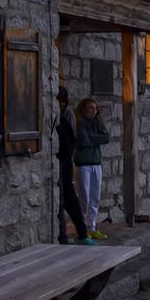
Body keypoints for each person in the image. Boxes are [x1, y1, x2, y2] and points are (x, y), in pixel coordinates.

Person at [54, 86, 94, 245]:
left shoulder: (66, 116)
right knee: (61, 200)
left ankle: (82, 233)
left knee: (69, 198)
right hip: (59, 161)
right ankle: (63, 235)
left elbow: (72, 140)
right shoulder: (57, 116)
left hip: (64, 162)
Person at [74, 98, 110, 241]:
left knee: (95, 197)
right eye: (90, 108)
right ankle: (83, 229)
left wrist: (91, 139)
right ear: (84, 109)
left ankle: (92, 226)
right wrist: (96, 139)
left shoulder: (98, 123)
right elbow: (82, 140)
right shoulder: (80, 123)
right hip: (83, 164)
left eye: (95, 108)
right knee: (84, 197)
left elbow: (106, 138)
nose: (94, 111)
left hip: (96, 163)